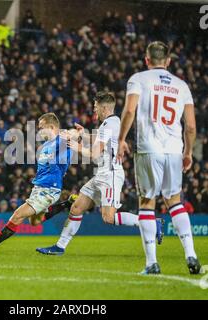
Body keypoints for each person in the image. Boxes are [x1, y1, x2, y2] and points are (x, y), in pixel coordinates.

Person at [36, 91, 163, 255]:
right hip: (102, 174)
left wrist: (76, 147)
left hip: (109, 175)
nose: (94, 110)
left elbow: (94, 153)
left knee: (108, 218)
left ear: (104, 108)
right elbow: (100, 143)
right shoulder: (111, 123)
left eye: (95, 107)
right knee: (76, 208)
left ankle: (152, 223)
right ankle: (59, 247)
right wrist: (84, 135)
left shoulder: (109, 124)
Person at [117, 41, 202, 275]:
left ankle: (152, 263)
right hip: (174, 149)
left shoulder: (138, 79)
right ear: (168, 61)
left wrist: (121, 138)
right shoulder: (182, 85)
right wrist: (188, 152)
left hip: (148, 148)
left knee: (147, 203)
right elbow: (191, 126)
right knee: (175, 201)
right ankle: (191, 255)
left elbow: (130, 110)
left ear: (147, 60)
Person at [0, 113, 72, 254]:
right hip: (39, 187)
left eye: (41, 128)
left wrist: (72, 136)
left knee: (17, 215)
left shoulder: (62, 142)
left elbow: (66, 156)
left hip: (49, 189)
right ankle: (67, 204)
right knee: (34, 222)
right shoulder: (47, 145)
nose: (39, 131)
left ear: (51, 127)